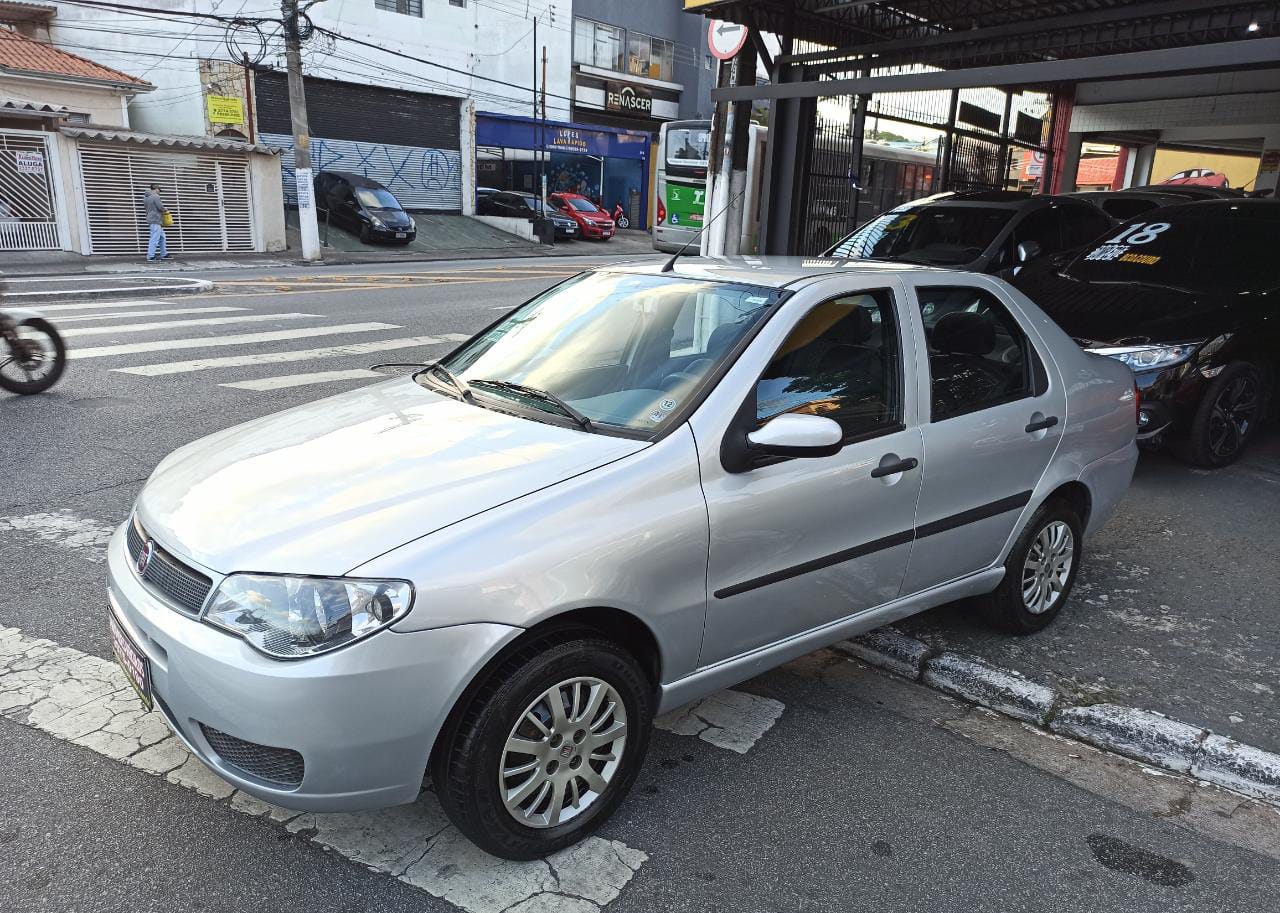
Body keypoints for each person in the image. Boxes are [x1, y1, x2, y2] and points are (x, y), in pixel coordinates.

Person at [144, 184, 170, 261]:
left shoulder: (145, 197)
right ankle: (151, 256)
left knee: (162, 237)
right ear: (155, 189)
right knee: (154, 238)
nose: (159, 192)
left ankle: (164, 254)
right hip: (155, 219)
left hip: (152, 219)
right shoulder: (155, 196)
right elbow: (160, 207)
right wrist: (165, 209)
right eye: (159, 190)